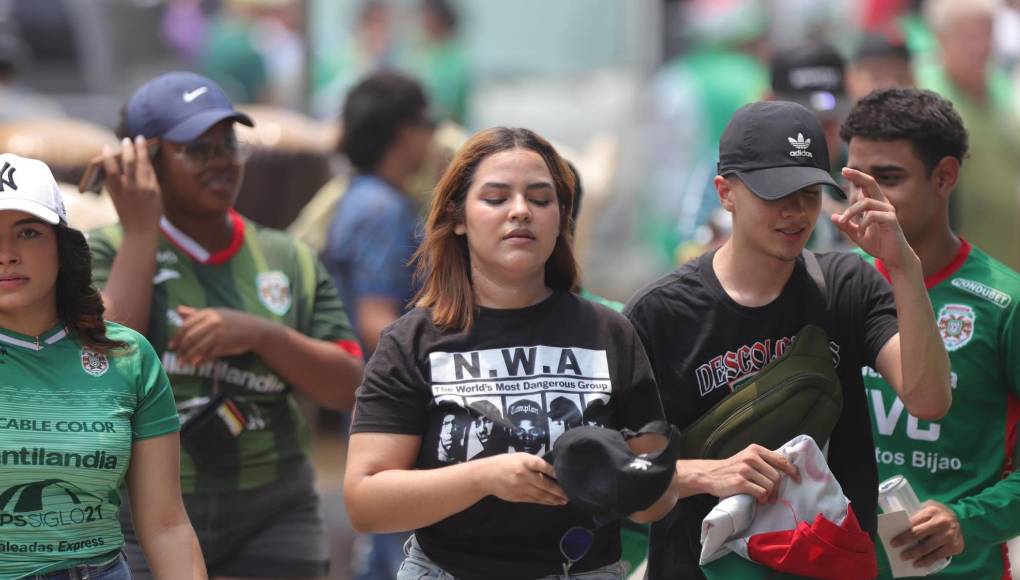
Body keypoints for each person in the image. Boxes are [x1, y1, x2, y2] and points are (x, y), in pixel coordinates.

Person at [624, 100, 953, 579]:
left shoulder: (846, 285)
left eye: (809, 192)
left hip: (826, 565)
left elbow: (929, 399)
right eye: (774, 193)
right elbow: (627, 486)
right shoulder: (660, 313)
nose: (796, 211)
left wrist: (904, 268)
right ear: (725, 193)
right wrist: (703, 473)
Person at [344, 126, 678, 579]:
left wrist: (623, 474)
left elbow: (651, 504)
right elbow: (365, 503)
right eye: (496, 198)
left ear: (561, 217)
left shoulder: (611, 332)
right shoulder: (412, 341)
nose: (520, 212)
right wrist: (483, 478)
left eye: (540, 200)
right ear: (458, 217)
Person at [86, 71, 364, 579]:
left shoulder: (289, 257)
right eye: (197, 149)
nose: (221, 160)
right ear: (145, 161)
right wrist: (143, 229)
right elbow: (101, 366)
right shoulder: (104, 250)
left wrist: (263, 335)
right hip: (144, 510)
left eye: (229, 144)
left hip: (275, 507)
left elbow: (350, 388)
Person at [842, 87, 1020, 578]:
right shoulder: (833, 287)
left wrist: (967, 521)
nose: (866, 200)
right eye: (855, 182)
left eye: (889, 179)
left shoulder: (1004, 303)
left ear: (945, 177)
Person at [0, 154, 205, 578]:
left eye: (28, 232)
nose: (6, 255)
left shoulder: (128, 357)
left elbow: (166, 526)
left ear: (62, 248)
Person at [324, 71, 434, 357]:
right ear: (405, 133)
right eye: (428, 124)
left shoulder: (363, 194)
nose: (432, 137)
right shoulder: (382, 209)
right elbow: (375, 322)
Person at [917, 0, 1020, 270]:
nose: (981, 46)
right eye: (969, 36)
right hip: (957, 266)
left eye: (988, 33)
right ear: (941, 39)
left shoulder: (999, 83)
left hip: (1007, 258)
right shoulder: (925, 91)